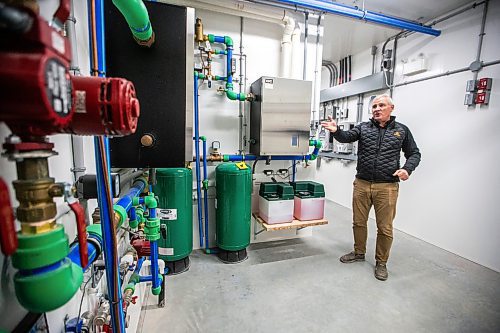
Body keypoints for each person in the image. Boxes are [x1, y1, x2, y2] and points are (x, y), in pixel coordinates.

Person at [321, 94, 421, 281]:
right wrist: (336, 131)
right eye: (374, 106)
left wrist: (407, 169)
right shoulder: (363, 128)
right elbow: (346, 137)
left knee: (385, 228)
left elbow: (414, 153)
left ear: (391, 108)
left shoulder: (402, 131)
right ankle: (359, 253)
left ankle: (381, 262)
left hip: (387, 187)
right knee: (359, 222)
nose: (377, 109)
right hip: (362, 184)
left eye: (381, 105)